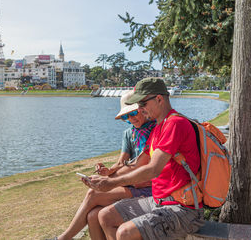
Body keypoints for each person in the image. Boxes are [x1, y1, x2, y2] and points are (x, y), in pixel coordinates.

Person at [85, 77, 204, 240]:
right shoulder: (158, 128)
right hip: (159, 201)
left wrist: (112, 183)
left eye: (142, 104)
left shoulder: (175, 124)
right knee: (106, 216)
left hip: (182, 208)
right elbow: (138, 163)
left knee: (125, 232)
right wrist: (105, 177)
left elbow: (153, 169)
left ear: (159, 99)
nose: (140, 110)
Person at [56, 91, 156, 240]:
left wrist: (108, 181)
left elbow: (140, 165)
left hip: (146, 186)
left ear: (143, 109)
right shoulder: (130, 134)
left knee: (93, 194)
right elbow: (122, 162)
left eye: (134, 113)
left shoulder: (154, 131)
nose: (131, 118)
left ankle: (64, 238)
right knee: (92, 215)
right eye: (126, 116)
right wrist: (107, 171)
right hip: (129, 183)